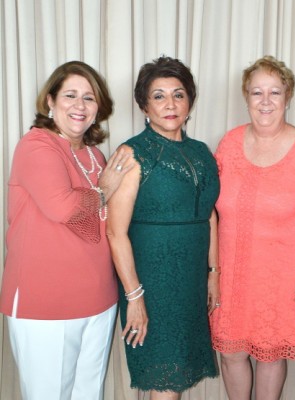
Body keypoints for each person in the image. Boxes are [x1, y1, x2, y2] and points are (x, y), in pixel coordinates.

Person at [0, 61, 132, 399]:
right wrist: (104, 189)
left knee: (88, 394)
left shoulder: (95, 156)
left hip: (99, 299)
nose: (80, 105)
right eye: (70, 95)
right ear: (51, 102)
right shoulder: (36, 145)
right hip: (46, 303)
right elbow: (64, 208)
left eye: (89, 98)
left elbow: (99, 226)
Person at [209, 55, 295, 399]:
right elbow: (210, 210)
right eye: (257, 92)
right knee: (231, 352)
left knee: (271, 354)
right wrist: (212, 268)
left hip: (283, 272)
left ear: (287, 97)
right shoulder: (229, 143)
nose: (265, 101)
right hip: (232, 270)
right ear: (246, 97)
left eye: (274, 92)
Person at [106, 56, 220, 400]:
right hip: (151, 286)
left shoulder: (201, 152)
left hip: (190, 283)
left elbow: (209, 215)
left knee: (177, 379)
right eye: (158, 96)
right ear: (144, 104)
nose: (170, 104)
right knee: (164, 383)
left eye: (178, 94)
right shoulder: (132, 154)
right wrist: (135, 297)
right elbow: (115, 233)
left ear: (190, 101)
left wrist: (214, 273)